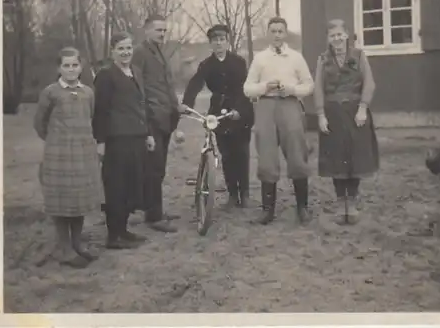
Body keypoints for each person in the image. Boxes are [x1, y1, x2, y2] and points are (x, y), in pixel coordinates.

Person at [33, 47, 102, 268]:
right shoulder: (50, 92)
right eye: (66, 65)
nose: (71, 69)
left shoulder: (88, 93)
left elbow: (90, 117)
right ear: (59, 68)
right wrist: (57, 140)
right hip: (59, 154)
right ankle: (64, 248)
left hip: (82, 154)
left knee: (78, 199)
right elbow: (40, 124)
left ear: (81, 67)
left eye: (74, 65)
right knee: (61, 200)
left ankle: (76, 243)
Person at [243, 17, 314, 225]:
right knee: (266, 156)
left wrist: (292, 89)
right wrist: (265, 86)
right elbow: (247, 88)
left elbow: (308, 85)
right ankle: (267, 210)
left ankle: (302, 207)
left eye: (280, 31)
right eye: (273, 31)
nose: (276, 35)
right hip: (265, 106)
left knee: (296, 154)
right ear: (268, 33)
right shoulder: (260, 58)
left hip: (290, 105)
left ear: (285, 33)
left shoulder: (295, 57)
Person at [181, 24, 255, 210]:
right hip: (218, 113)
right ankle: (232, 195)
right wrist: (187, 103)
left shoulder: (238, 62)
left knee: (242, 153)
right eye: (215, 40)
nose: (219, 43)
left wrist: (239, 110)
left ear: (227, 42)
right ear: (211, 44)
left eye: (222, 40)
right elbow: (195, 83)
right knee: (226, 155)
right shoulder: (206, 65)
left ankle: (244, 193)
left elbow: (244, 88)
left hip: (240, 111)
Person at [92, 32, 155, 249]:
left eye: (128, 48)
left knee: (131, 186)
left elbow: (140, 106)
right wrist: (100, 141)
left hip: (136, 138)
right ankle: (113, 236)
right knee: (116, 187)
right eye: (120, 48)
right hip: (116, 140)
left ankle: (123, 230)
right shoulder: (106, 75)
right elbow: (100, 111)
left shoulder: (135, 72)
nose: (125, 52)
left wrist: (147, 133)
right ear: (112, 52)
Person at [314, 19, 379, 224]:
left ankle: (352, 203)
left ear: (347, 35)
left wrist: (363, 108)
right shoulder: (323, 60)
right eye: (333, 35)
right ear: (328, 38)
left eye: (340, 34)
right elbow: (318, 88)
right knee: (336, 159)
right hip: (333, 114)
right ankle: (340, 202)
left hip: (355, 112)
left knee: (355, 158)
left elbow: (369, 83)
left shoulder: (359, 55)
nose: (337, 39)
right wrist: (321, 114)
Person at [132, 15, 182, 233]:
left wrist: (176, 106)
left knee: (159, 168)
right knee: (153, 167)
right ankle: (153, 216)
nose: (162, 34)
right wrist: (145, 115)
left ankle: (155, 209)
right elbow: (138, 87)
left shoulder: (160, 51)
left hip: (165, 116)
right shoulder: (139, 53)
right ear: (146, 31)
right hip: (151, 117)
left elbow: (168, 84)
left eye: (164, 30)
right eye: (158, 30)